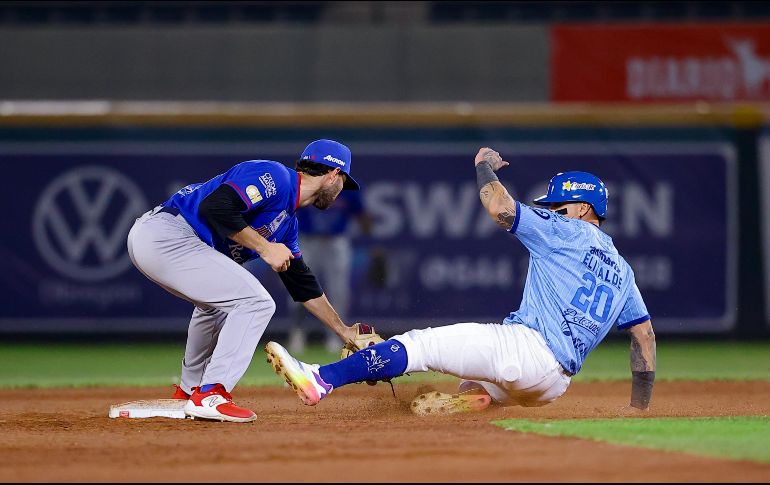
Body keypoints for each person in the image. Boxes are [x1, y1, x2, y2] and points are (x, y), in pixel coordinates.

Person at [263, 147, 657, 415]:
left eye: (558, 205)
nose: (551, 211)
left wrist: (483, 166)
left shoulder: (564, 230)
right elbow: (644, 336)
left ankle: (320, 379)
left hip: (526, 350)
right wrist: (639, 407)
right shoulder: (623, 271)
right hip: (554, 385)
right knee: (476, 380)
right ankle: (472, 402)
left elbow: (500, 208)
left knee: (418, 345)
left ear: (583, 208)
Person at [126, 139, 383, 423]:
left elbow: (302, 284)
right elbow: (216, 207)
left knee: (215, 307)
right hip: (167, 235)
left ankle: (189, 392)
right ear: (334, 175)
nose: (342, 191)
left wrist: (343, 331)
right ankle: (212, 394)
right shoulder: (276, 177)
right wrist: (265, 247)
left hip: (166, 242)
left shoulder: (287, 223)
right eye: (344, 182)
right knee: (256, 302)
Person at [288, 188, 372, 354]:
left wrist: (374, 245)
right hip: (308, 240)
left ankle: (335, 335)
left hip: (336, 241)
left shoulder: (348, 187)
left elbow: (362, 215)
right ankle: (297, 332)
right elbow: (288, 210)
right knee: (299, 287)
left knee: (338, 292)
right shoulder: (310, 182)